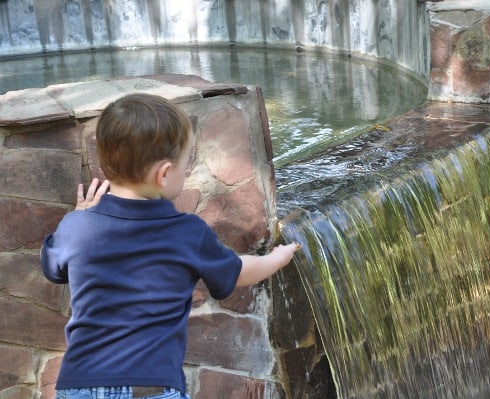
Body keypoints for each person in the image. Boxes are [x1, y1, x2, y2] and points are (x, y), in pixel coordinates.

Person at [40, 93, 300, 399]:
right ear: (164, 174)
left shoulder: (77, 227)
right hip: (150, 389)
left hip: (78, 386)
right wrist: (277, 259)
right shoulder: (187, 232)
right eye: (186, 161)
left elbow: (52, 268)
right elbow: (238, 271)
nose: (187, 169)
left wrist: (79, 215)